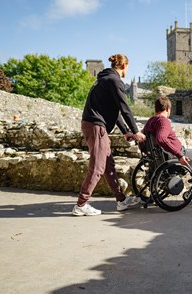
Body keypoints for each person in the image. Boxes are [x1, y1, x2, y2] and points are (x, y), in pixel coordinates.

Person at [72, 53, 146, 216]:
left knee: (108, 165)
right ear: (124, 66)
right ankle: (81, 204)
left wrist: (126, 131)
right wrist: (136, 131)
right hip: (96, 126)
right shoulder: (114, 81)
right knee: (98, 166)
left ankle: (121, 200)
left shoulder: (105, 79)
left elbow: (115, 110)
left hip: (95, 125)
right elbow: (124, 107)